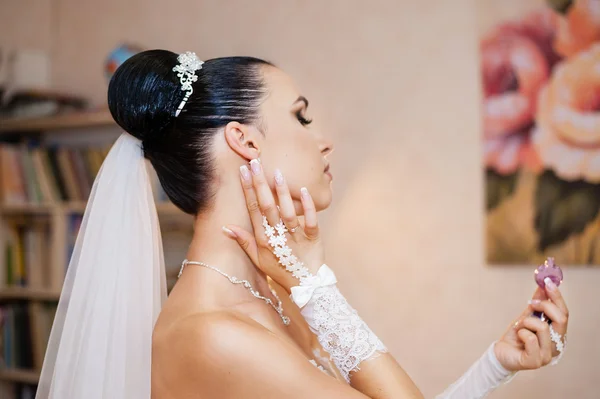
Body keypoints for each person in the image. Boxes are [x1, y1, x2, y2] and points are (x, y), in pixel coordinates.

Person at [35, 50, 569, 399]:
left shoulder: (268, 293)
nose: (323, 139)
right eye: (301, 116)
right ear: (244, 140)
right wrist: (316, 285)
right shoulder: (212, 332)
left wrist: (497, 365)